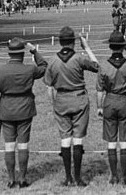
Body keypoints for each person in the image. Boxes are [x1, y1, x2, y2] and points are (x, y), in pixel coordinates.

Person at [43, 27, 100, 187]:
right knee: (78, 139)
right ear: (74, 42)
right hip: (79, 99)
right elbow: (97, 66)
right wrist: (87, 48)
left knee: (65, 139)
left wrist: (53, 104)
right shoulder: (79, 58)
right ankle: (78, 177)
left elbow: (49, 86)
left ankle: (68, 177)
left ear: (60, 41)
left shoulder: (53, 60)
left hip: (61, 99)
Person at [0, 38, 47, 188]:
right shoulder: (30, 69)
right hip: (25, 110)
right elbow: (44, 66)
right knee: (23, 145)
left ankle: (10, 179)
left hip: (6, 111)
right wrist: (34, 51)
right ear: (22, 54)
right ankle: (22, 179)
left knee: (9, 146)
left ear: (9, 54)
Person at [96, 31, 126, 185]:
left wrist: (99, 106)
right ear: (122, 46)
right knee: (124, 140)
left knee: (111, 140)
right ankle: (124, 176)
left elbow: (99, 89)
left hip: (109, 100)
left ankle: (113, 176)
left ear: (110, 47)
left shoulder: (104, 65)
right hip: (125, 100)